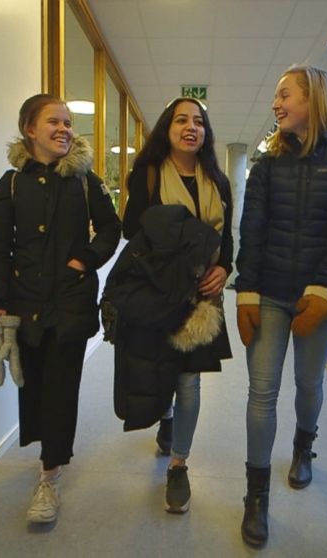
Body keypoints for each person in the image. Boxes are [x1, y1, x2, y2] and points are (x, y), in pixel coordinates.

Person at [235, 65, 327, 546]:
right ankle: (256, 497)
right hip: (268, 291)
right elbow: (251, 231)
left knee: (309, 384)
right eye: (275, 96)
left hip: (318, 295)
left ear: (312, 100)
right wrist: (245, 289)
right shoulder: (266, 165)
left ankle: (303, 447)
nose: (276, 103)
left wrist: (325, 286)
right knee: (261, 393)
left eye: (284, 95)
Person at [0, 93, 121, 523]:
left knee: (61, 389)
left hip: (72, 304)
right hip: (25, 304)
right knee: (34, 386)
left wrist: (86, 259)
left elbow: (112, 228)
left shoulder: (85, 180)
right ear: (30, 129)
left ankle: (49, 477)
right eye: (53, 122)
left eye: (67, 122)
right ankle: (47, 458)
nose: (63, 129)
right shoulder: (10, 184)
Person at [114, 97, 234, 514]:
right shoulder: (147, 175)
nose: (191, 127)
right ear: (167, 128)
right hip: (158, 293)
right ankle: (166, 420)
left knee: (190, 382)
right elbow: (133, 231)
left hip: (202, 297)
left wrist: (225, 270)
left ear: (206, 132)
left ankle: (179, 464)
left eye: (199, 121)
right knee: (161, 371)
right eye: (181, 119)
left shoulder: (218, 180)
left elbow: (227, 240)